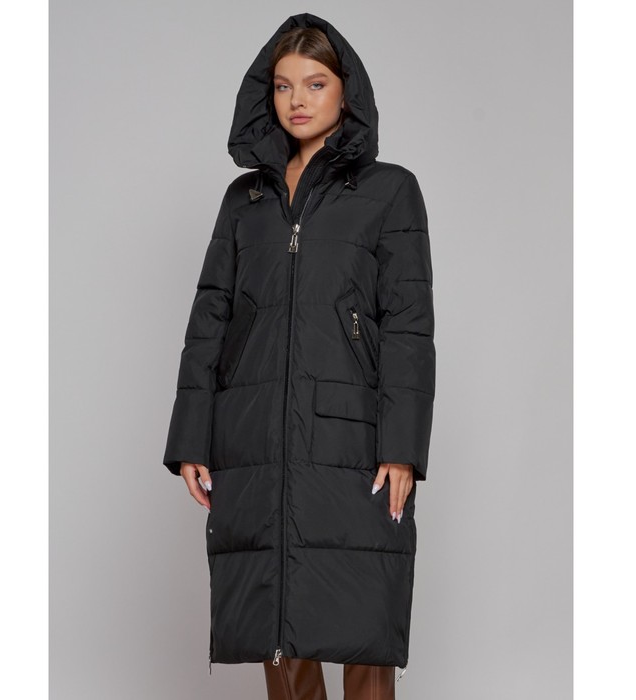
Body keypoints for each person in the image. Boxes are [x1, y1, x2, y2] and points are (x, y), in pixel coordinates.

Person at [163, 12, 436, 700]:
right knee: (278, 618)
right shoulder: (244, 201)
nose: (298, 100)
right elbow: (210, 321)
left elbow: (408, 327)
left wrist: (402, 448)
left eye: (315, 83)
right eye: (283, 86)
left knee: (362, 619)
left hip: (354, 439)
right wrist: (192, 438)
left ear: (347, 91)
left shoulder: (390, 191)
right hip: (255, 436)